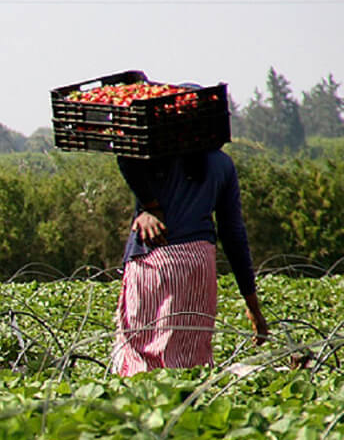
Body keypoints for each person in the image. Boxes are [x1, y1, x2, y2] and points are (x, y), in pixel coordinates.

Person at [110, 147, 267, 375]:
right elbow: (233, 235)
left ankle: (144, 408)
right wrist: (252, 304)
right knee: (189, 362)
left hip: (153, 259)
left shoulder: (155, 148)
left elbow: (124, 156)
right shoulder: (222, 163)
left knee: (141, 358)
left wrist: (150, 205)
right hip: (198, 263)